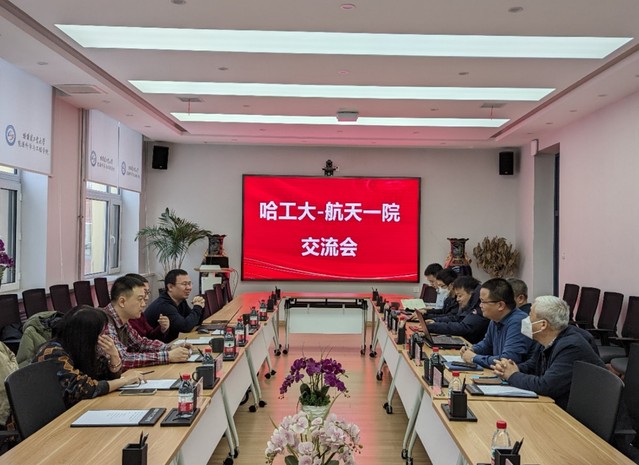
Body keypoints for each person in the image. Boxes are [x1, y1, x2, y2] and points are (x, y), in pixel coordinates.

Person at [492, 295, 605, 410]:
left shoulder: (571, 346)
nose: (526, 320)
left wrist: (513, 375)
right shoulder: (546, 339)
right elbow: (532, 366)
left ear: (543, 325)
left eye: (530, 316)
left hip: (583, 412)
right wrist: (508, 368)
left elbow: (546, 386)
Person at [34, 306, 146, 408]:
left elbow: (105, 376)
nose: (103, 337)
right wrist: (124, 381)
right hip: (55, 416)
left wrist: (114, 356)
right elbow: (82, 390)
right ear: (86, 336)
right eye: (100, 334)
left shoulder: (78, 349)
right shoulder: (53, 353)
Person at [102, 275, 190, 369]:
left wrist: (170, 347)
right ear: (122, 302)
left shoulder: (122, 320)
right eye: (140, 299)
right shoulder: (104, 322)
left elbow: (140, 344)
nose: (144, 304)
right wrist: (168, 356)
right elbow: (121, 359)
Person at [460, 278, 535, 368]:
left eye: (483, 302)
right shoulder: (495, 318)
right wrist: (472, 349)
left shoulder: (519, 321)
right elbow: (486, 344)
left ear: (500, 305)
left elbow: (507, 360)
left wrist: (474, 358)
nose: (480, 305)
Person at [144, 269, 205, 342]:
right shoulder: (164, 305)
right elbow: (185, 327)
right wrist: (197, 307)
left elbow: (194, 322)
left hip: (168, 345)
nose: (189, 287)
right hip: (154, 347)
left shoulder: (181, 300)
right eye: (184, 284)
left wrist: (200, 305)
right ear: (170, 287)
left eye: (189, 283)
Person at [426, 276, 489, 344]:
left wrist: (434, 327)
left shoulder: (479, 306)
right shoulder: (470, 304)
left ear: (471, 293)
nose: (457, 299)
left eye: (460, 296)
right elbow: (457, 318)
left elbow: (464, 327)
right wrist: (435, 321)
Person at [126, 273, 172, 342]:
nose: (146, 297)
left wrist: (162, 328)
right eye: (144, 293)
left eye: (147, 292)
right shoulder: (124, 320)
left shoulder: (139, 314)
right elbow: (140, 345)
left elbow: (150, 337)